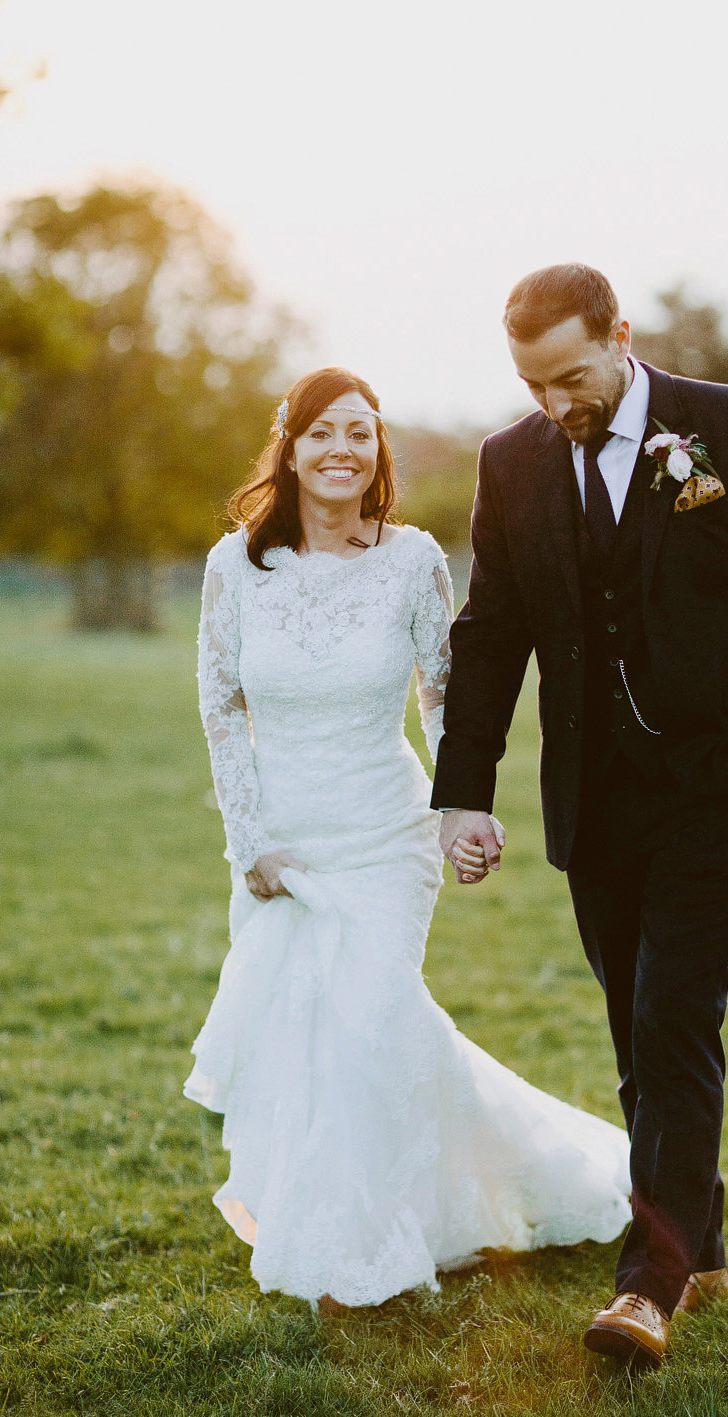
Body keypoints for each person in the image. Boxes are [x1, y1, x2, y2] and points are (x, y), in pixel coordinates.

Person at [432, 265, 728, 1366]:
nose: (556, 406)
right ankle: (697, 1240)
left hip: (714, 790)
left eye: (571, 377)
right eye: (532, 384)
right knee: (633, 1033)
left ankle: (647, 1288)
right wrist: (464, 787)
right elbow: (491, 631)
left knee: (671, 1018)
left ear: (620, 336)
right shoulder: (511, 462)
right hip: (592, 801)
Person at [184, 365, 631, 1310]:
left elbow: (444, 699)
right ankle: (337, 1213)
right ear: (291, 449)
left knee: (369, 1023)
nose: (342, 449)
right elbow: (222, 709)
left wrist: (460, 807)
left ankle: (360, 1253)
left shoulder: (414, 561)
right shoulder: (234, 566)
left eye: (360, 432)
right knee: (300, 1032)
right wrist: (248, 842)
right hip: (282, 838)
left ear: (377, 451)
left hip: (388, 833)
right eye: (322, 433)